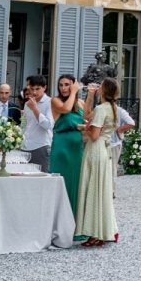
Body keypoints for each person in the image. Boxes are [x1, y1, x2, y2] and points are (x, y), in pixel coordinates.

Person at [74, 77, 119, 247]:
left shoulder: (101, 109)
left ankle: (95, 233)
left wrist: (85, 128)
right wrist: (90, 96)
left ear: (104, 90)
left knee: (93, 189)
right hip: (104, 149)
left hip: (96, 149)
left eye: (99, 87)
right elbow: (86, 115)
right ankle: (103, 229)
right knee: (101, 190)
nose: (96, 88)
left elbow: (93, 135)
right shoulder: (112, 107)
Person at [49, 75, 85, 215]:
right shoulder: (55, 101)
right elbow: (66, 109)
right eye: (61, 85)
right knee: (62, 182)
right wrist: (74, 92)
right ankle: (60, 222)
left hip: (76, 147)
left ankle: (77, 222)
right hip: (62, 146)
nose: (63, 88)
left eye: (67, 84)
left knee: (76, 182)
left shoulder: (80, 103)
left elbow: (88, 116)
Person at [22, 75, 54, 173]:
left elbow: (48, 125)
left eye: (37, 89)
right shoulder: (27, 104)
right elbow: (24, 125)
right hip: (25, 147)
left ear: (44, 88)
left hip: (41, 146)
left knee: (42, 179)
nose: (34, 92)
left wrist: (35, 109)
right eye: (32, 89)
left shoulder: (50, 102)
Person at [110, 106, 135, 198]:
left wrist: (119, 130)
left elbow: (131, 123)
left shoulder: (119, 111)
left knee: (112, 168)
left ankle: (111, 191)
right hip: (109, 142)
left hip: (114, 143)